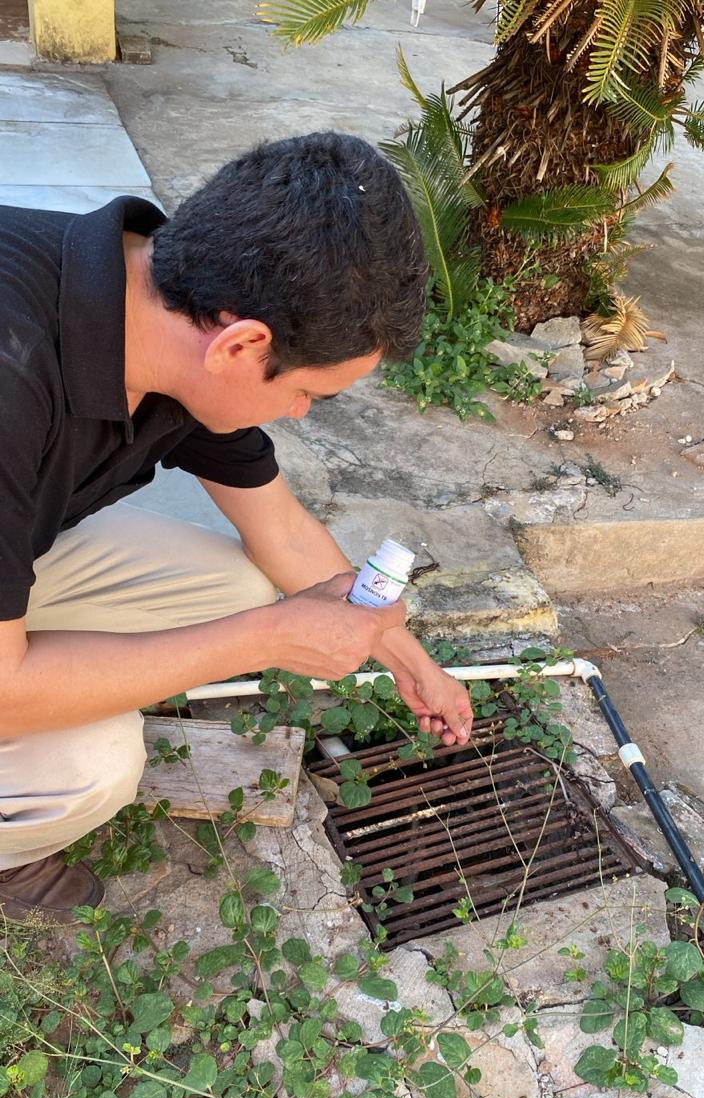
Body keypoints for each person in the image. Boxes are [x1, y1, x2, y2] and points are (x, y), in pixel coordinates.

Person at [0, 131, 472, 922]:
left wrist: (406, 660)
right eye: (311, 394)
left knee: (233, 583)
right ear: (242, 344)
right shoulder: (12, 380)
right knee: (89, 769)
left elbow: (281, 530)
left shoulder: (154, 300)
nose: (300, 412)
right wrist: (267, 639)